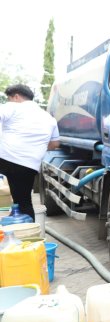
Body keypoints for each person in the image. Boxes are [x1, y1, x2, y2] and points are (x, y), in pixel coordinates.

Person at [0, 84, 59, 220]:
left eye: (9, 98)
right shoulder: (49, 118)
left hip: (5, 158)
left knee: (18, 198)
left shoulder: (13, 106)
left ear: (16, 96)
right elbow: (55, 143)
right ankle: (29, 234)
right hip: (29, 165)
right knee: (24, 202)